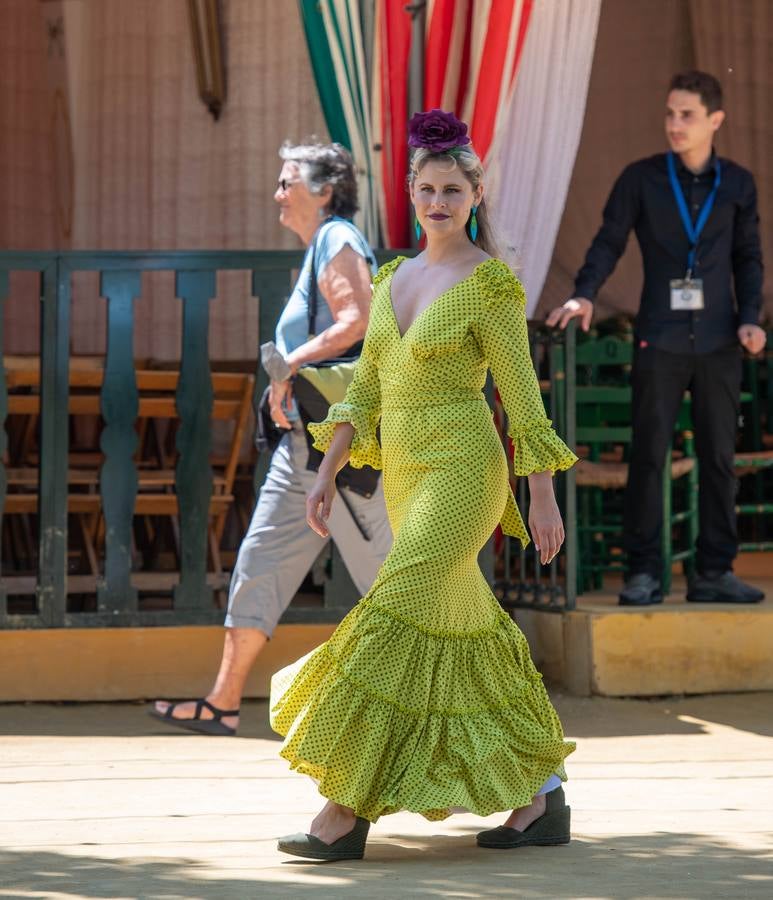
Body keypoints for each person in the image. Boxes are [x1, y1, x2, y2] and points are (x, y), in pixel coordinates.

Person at [270, 109, 577, 862]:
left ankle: (344, 807)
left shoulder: (490, 285)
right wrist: (330, 468)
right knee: (460, 630)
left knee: (393, 613)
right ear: (412, 194)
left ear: (474, 196)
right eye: (427, 188)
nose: (438, 201)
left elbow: (521, 398)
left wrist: (539, 494)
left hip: (464, 471)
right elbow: (366, 388)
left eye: (452, 189)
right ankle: (540, 795)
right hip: (406, 473)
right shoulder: (392, 276)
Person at [150, 142, 392, 735]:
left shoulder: (337, 238)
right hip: (304, 447)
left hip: (344, 451)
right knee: (260, 561)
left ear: (325, 189)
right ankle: (223, 702)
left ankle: (460, 711)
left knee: (397, 585)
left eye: (289, 182)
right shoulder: (320, 249)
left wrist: (288, 368)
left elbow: (357, 319)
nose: (278, 194)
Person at [547, 70, 766, 607]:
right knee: (649, 455)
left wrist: (752, 318)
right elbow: (608, 241)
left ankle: (715, 571)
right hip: (660, 338)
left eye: (686, 115)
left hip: (718, 340)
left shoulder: (737, 184)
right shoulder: (641, 179)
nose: (674, 124)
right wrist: (585, 293)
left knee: (718, 456)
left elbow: (749, 257)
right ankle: (644, 573)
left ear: (715, 120)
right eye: (669, 113)